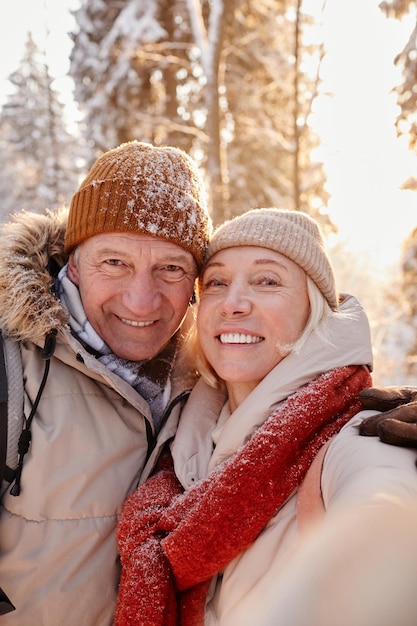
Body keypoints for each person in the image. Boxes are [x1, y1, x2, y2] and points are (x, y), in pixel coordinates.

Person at [114, 208, 417, 625]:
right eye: (217, 283)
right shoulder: (177, 452)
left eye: (267, 281)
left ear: (313, 311)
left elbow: (386, 513)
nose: (234, 304)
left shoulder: (356, 438)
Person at [0, 140, 211, 624]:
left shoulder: (213, 374)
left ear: (197, 282)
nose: (141, 301)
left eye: (171, 268)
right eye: (114, 262)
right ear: (72, 263)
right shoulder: (12, 365)